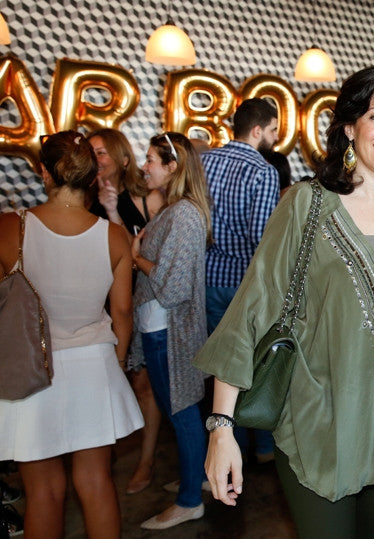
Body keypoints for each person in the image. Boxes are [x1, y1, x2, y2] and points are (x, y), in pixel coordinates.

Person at [194, 65, 374, 539]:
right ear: (350, 127)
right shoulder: (307, 203)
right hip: (319, 420)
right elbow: (252, 309)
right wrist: (222, 428)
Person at [0, 130, 143, 538]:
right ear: (93, 177)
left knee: (43, 491)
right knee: (96, 481)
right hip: (94, 366)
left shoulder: (10, 227)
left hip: (29, 369)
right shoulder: (113, 235)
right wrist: (118, 363)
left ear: (44, 172)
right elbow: (122, 312)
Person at [130, 132, 212, 530]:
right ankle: (196, 478)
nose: (144, 166)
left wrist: (136, 259)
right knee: (183, 413)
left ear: (173, 166)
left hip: (169, 331)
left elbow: (173, 288)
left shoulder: (182, 215)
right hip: (161, 327)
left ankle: (190, 500)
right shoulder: (176, 210)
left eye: (151, 159)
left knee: (183, 414)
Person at [201, 97, 280, 464]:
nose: (275, 139)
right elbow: (262, 239)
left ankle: (227, 445)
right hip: (243, 284)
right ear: (257, 130)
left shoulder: (204, 162)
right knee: (252, 366)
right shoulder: (263, 171)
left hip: (205, 279)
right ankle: (260, 448)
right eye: (274, 131)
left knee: (219, 370)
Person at [87, 128, 165, 495]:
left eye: (102, 152)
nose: (96, 160)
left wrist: (112, 211)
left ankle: (146, 460)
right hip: (97, 304)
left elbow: (144, 257)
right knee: (102, 382)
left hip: (140, 300)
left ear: (122, 158)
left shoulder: (147, 198)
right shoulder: (80, 200)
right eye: (91, 153)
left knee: (143, 384)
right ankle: (101, 454)